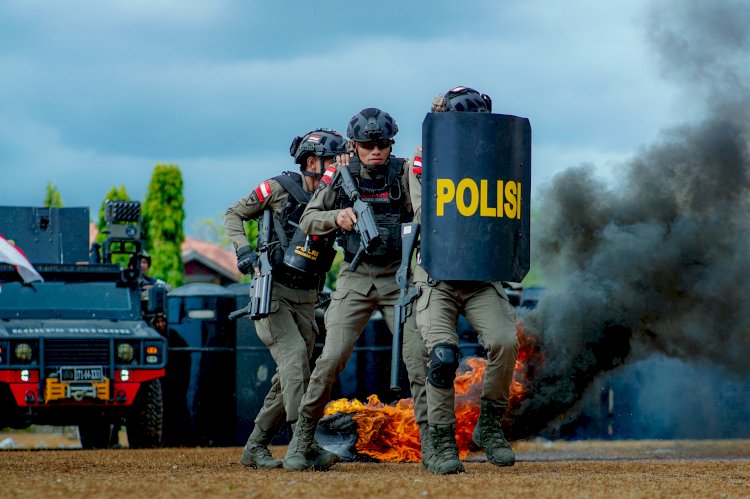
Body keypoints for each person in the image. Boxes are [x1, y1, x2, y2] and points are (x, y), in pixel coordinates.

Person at [283, 108, 430, 471]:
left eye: (381, 143)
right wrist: (338, 217)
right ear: (355, 146)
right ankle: (301, 443)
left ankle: (435, 443)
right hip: (355, 275)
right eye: (367, 145)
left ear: (390, 143)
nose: (375, 150)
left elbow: (427, 212)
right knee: (330, 360)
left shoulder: (403, 173)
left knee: (419, 360)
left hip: (400, 277)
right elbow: (308, 220)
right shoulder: (341, 175)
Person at [409, 86, 520, 475]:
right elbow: (430, 211)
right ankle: (440, 443)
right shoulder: (424, 159)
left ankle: (488, 429)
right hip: (436, 274)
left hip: (480, 275)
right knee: (441, 355)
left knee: (505, 343)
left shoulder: (498, 156)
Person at [224, 128, 347, 470]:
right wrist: (244, 250)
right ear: (312, 162)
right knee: (294, 362)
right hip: (273, 292)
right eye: (331, 163)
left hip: (308, 297)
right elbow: (233, 215)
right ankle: (303, 444)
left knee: (290, 376)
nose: (338, 169)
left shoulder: (337, 196)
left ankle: (255, 446)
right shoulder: (279, 188)